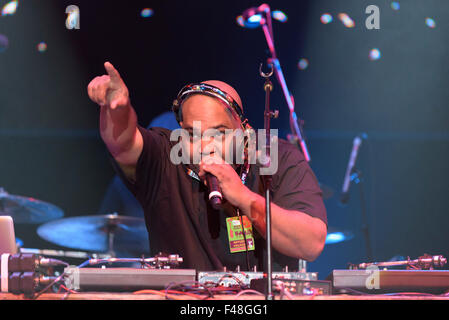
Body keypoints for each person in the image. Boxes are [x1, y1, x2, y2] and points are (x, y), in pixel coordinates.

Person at [87, 62, 327, 271]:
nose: (205, 146)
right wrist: (116, 109)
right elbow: (123, 143)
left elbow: (310, 244)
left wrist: (243, 197)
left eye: (219, 133)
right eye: (192, 134)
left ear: (244, 131)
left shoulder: (274, 156)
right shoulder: (168, 155)